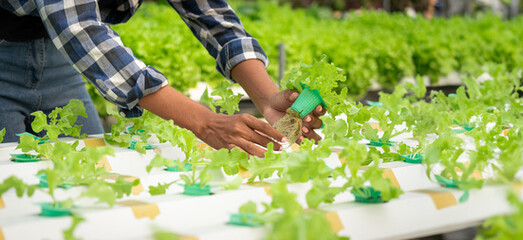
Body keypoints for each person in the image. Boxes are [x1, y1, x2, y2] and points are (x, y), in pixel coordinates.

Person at [0, 0, 325, 157]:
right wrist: (204, 121)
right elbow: (83, 31)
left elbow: (215, 19)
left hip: (61, 58)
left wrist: (267, 98)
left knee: (93, 172)